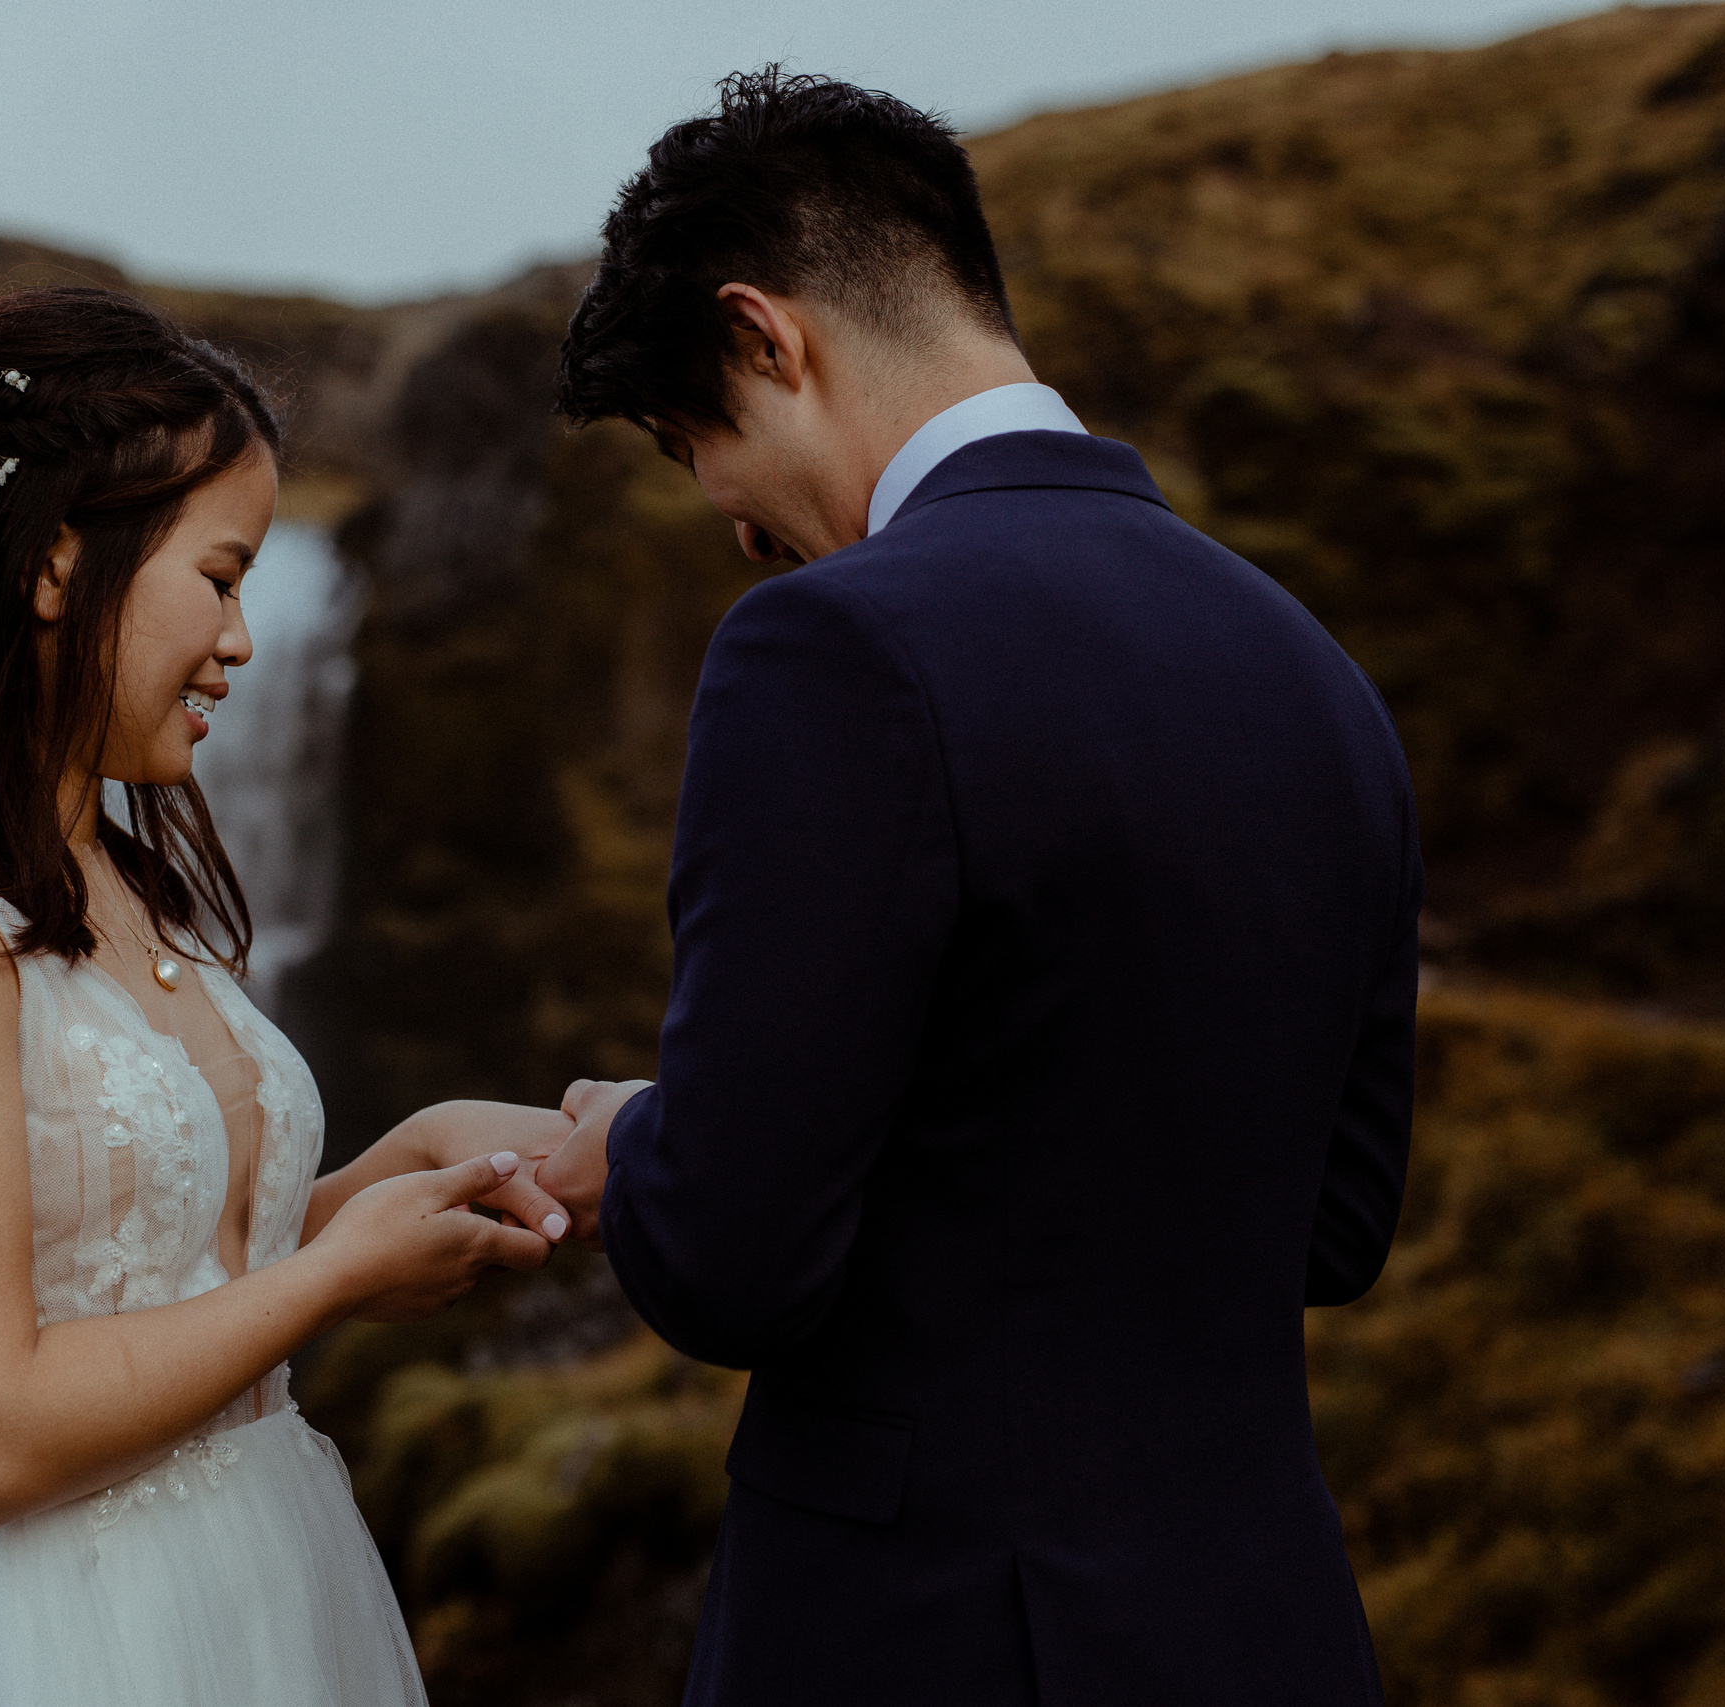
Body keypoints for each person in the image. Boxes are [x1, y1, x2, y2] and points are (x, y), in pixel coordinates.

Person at [535, 70, 1419, 1706]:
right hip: (1268, 1633)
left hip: (936, 1640)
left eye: (694, 442)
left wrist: (638, 1148)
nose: (733, 524)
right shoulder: (1313, 669)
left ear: (765, 338)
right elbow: (1339, 1222)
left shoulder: (833, 647)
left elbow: (732, 1258)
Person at [0, 286, 575, 1707]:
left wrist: (408, 1169)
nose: (241, 640)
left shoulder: (116, 876)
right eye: (222, 577)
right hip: (36, 1641)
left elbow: (153, 1268)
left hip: (259, 1590)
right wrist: (332, 1283)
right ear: (57, 564)